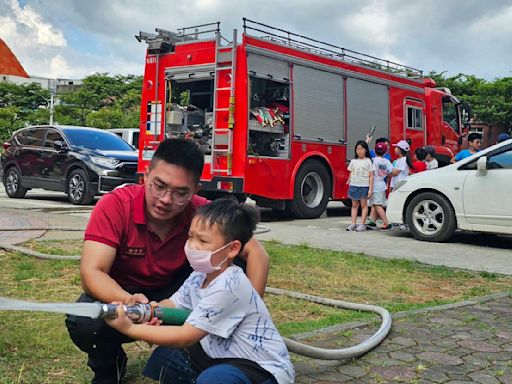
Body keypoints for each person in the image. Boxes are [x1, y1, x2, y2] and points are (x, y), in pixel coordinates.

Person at [65, 139, 270, 384]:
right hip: (124, 292)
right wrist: (127, 300)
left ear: (196, 189)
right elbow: (92, 272)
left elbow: (257, 254)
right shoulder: (116, 206)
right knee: (86, 320)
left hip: (178, 289)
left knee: (232, 262)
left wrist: (247, 311)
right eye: (159, 186)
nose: (165, 199)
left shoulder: (203, 216)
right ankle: (109, 365)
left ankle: (205, 354)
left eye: (180, 192)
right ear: (145, 175)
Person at [106, 199, 295, 384]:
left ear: (232, 249)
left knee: (214, 379)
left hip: (257, 366)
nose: (192, 246)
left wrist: (130, 329)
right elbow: (173, 304)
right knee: (166, 358)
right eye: (190, 237)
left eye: (203, 241)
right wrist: (146, 312)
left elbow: (186, 336)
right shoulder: (201, 274)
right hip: (218, 353)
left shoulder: (230, 285)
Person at [346, 140, 375, 231]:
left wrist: (370, 189)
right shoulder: (353, 161)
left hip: (364, 186)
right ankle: (353, 223)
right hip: (354, 185)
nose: (359, 151)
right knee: (354, 205)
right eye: (357, 149)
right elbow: (351, 172)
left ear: (366, 150)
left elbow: (371, 176)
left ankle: (362, 224)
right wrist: (349, 180)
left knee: (363, 205)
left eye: (361, 149)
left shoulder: (369, 161)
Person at [368, 142, 393, 230]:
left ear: (375, 151)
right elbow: (391, 172)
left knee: (376, 205)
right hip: (382, 184)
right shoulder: (387, 161)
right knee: (377, 204)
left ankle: (386, 222)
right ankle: (373, 221)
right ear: (386, 152)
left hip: (375, 184)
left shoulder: (373, 160)